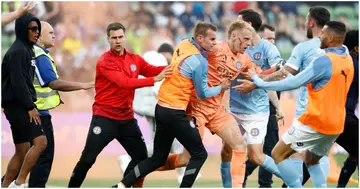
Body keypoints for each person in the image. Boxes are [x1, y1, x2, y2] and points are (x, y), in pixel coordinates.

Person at [234, 21, 353, 188]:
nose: (320, 35)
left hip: (316, 121)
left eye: (324, 33)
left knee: (277, 154)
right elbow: (300, 81)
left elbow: (292, 84)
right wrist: (285, 76)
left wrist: (258, 82)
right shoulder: (347, 57)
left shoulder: (324, 61)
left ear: (332, 38)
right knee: (311, 160)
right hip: (336, 125)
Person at [113, 21, 229, 188]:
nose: (215, 42)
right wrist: (221, 87)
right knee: (199, 154)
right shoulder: (199, 62)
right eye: (211, 39)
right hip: (175, 111)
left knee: (157, 158)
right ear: (200, 38)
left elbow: (186, 53)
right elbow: (203, 93)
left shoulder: (183, 43)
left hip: (161, 108)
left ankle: (122, 185)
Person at [67, 22, 171, 188]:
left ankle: (122, 185)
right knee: (87, 159)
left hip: (126, 119)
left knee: (141, 157)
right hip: (104, 118)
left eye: (120, 37)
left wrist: (176, 67)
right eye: (114, 37)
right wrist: (154, 80)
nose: (118, 41)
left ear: (125, 37)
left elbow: (154, 69)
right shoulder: (105, 61)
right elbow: (124, 83)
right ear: (108, 39)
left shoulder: (134, 59)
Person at [220, 9, 284, 188]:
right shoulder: (232, 44)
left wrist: (258, 82)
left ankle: (293, 180)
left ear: (248, 25)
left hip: (256, 111)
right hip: (234, 109)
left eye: (239, 21)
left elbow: (280, 72)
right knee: (227, 150)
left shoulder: (267, 48)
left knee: (256, 155)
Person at [26, 21, 94, 187]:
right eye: (50, 33)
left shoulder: (31, 52)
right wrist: (83, 85)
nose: (54, 35)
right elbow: (52, 82)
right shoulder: (40, 55)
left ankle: (6, 183)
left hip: (32, 113)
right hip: (39, 115)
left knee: (28, 157)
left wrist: (55, 98)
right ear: (39, 36)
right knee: (44, 157)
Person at [118, 43, 191, 183]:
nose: (171, 60)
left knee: (161, 140)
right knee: (166, 140)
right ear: (166, 53)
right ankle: (129, 158)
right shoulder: (159, 60)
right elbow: (158, 86)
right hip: (154, 103)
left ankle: (132, 160)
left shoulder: (148, 57)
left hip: (143, 103)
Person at [1, 13, 47, 188]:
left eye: (38, 29)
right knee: (41, 142)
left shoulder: (25, 48)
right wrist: (30, 106)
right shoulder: (20, 51)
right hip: (19, 106)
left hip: (14, 105)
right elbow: (18, 82)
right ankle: (19, 183)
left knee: (21, 150)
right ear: (22, 30)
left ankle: (5, 186)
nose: (37, 32)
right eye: (33, 29)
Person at [242, 23, 282, 188]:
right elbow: (269, 89)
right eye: (267, 38)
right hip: (260, 110)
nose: (270, 42)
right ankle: (264, 183)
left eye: (273, 38)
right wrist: (279, 107)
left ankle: (242, 176)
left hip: (269, 110)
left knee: (263, 151)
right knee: (267, 151)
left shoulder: (275, 60)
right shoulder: (255, 63)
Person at [336, 30, 359, 188]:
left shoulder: (342, 61)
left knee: (314, 157)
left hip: (331, 115)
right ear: (357, 48)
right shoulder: (354, 64)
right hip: (345, 117)